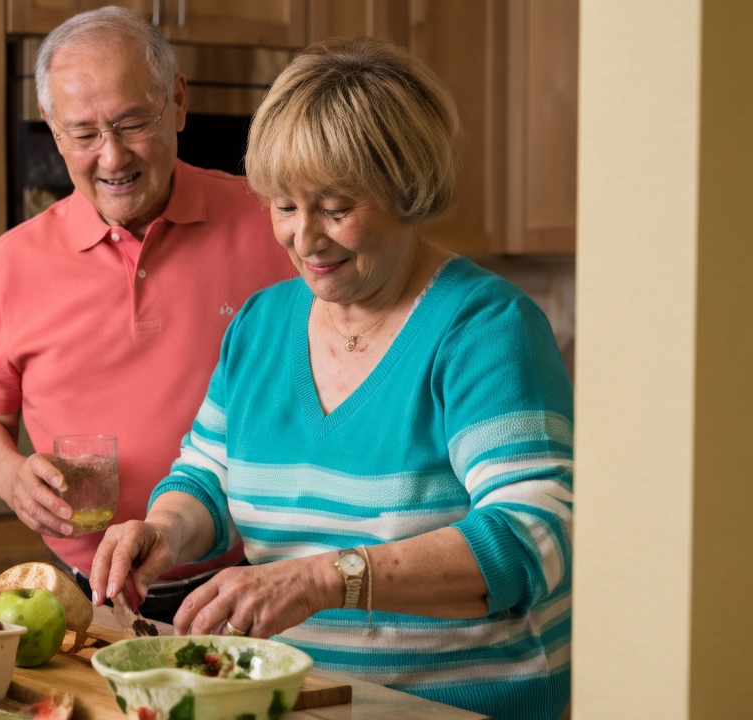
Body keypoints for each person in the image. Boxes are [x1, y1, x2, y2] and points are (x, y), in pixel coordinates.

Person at [88, 38, 572, 720]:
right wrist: (164, 532)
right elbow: (206, 478)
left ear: (407, 190)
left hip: (454, 708)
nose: (304, 239)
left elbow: (533, 539)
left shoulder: (485, 329)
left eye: (336, 207)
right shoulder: (261, 324)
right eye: (283, 206)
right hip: (298, 700)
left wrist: (327, 579)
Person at [0, 6, 296, 619]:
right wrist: (11, 478)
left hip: (250, 582)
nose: (112, 158)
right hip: (85, 595)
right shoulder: (12, 261)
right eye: (84, 134)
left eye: (133, 122)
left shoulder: (273, 221)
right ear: (54, 133)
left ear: (179, 102)